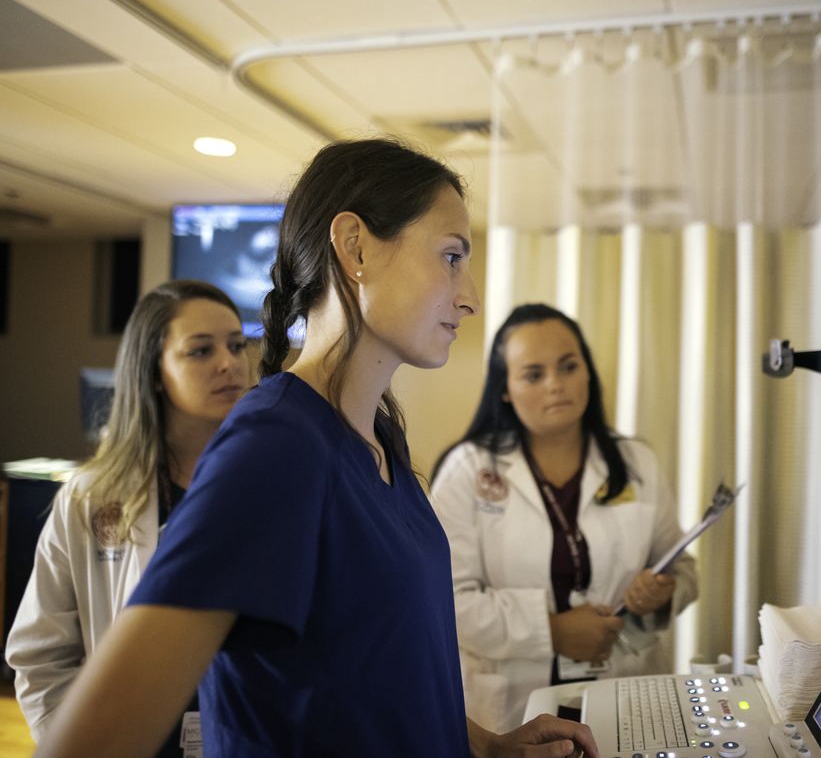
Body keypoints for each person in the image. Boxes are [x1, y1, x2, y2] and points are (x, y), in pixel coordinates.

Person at [34, 138, 597, 758]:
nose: (470, 296)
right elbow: (93, 738)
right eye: (452, 256)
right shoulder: (277, 447)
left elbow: (372, 680)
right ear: (355, 247)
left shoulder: (379, 438)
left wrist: (488, 747)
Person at [6, 280, 252, 755]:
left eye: (236, 345)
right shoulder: (92, 496)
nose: (230, 362)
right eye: (200, 351)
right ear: (154, 370)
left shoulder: (272, 483)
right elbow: (41, 655)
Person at [430, 303, 700, 733]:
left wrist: (662, 594)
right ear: (506, 389)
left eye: (568, 366)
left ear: (587, 373)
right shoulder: (467, 472)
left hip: (626, 695)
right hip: (511, 713)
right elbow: (447, 601)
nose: (556, 384)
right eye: (534, 375)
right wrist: (551, 631)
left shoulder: (636, 463)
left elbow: (683, 570)